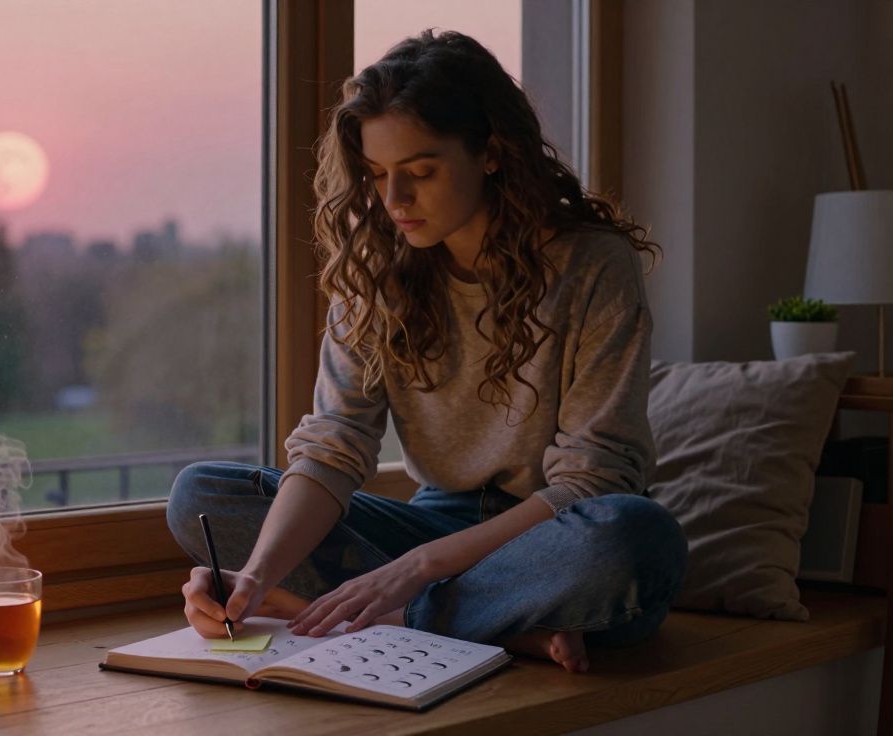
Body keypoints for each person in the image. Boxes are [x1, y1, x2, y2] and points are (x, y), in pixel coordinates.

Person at [166, 30, 687, 674]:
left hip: (549, 538)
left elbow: (594, 481)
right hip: (434, 524)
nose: (394, 201)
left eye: (419, 172)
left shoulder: (592, 265)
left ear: (491, 153)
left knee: (636, 538)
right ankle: (490, 623)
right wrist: (251, 576)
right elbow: (333, 447)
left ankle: (404, 614)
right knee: (202, 492)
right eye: (378, 175)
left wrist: (417, 572)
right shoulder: (377, 270)